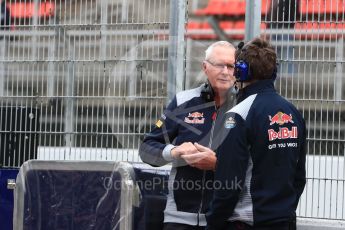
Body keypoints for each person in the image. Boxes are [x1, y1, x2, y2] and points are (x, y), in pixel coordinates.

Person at [206, 37, 306, 230]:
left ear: (241, 71)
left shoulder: (237, 115)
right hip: (284, 221)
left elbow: (228, 184)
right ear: (273, 71)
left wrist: (213, 223)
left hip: (247, 222)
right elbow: (299, 176)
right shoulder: (293, 112)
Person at [139, 41, 236, 230]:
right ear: (205, 67)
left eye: (231, 66)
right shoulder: (182, 101)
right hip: (178, 218)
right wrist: (173, 151)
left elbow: (257, 163)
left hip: (227, 219)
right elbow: (147, 147)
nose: (225, 71)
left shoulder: (246, 106)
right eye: (219, 65)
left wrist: (218, 165)